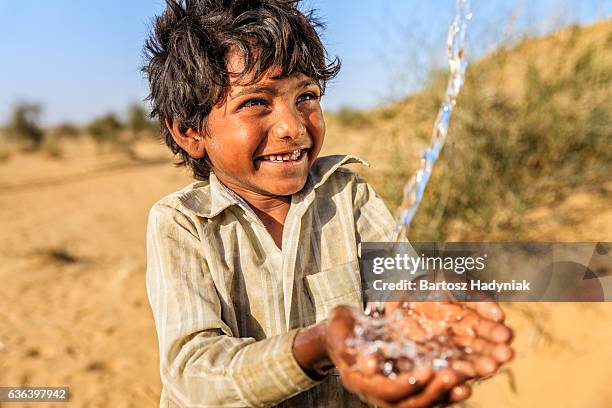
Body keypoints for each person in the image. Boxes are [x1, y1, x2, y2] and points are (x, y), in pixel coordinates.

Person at [143, 1, 513, 407]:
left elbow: (402, 291)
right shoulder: (182, 224)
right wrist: (319, 346)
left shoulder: (348, 196)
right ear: (189, 131)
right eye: (255, 103)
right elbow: (192, 375)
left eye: (306, 96)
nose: (293, 126)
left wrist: (428, 311)